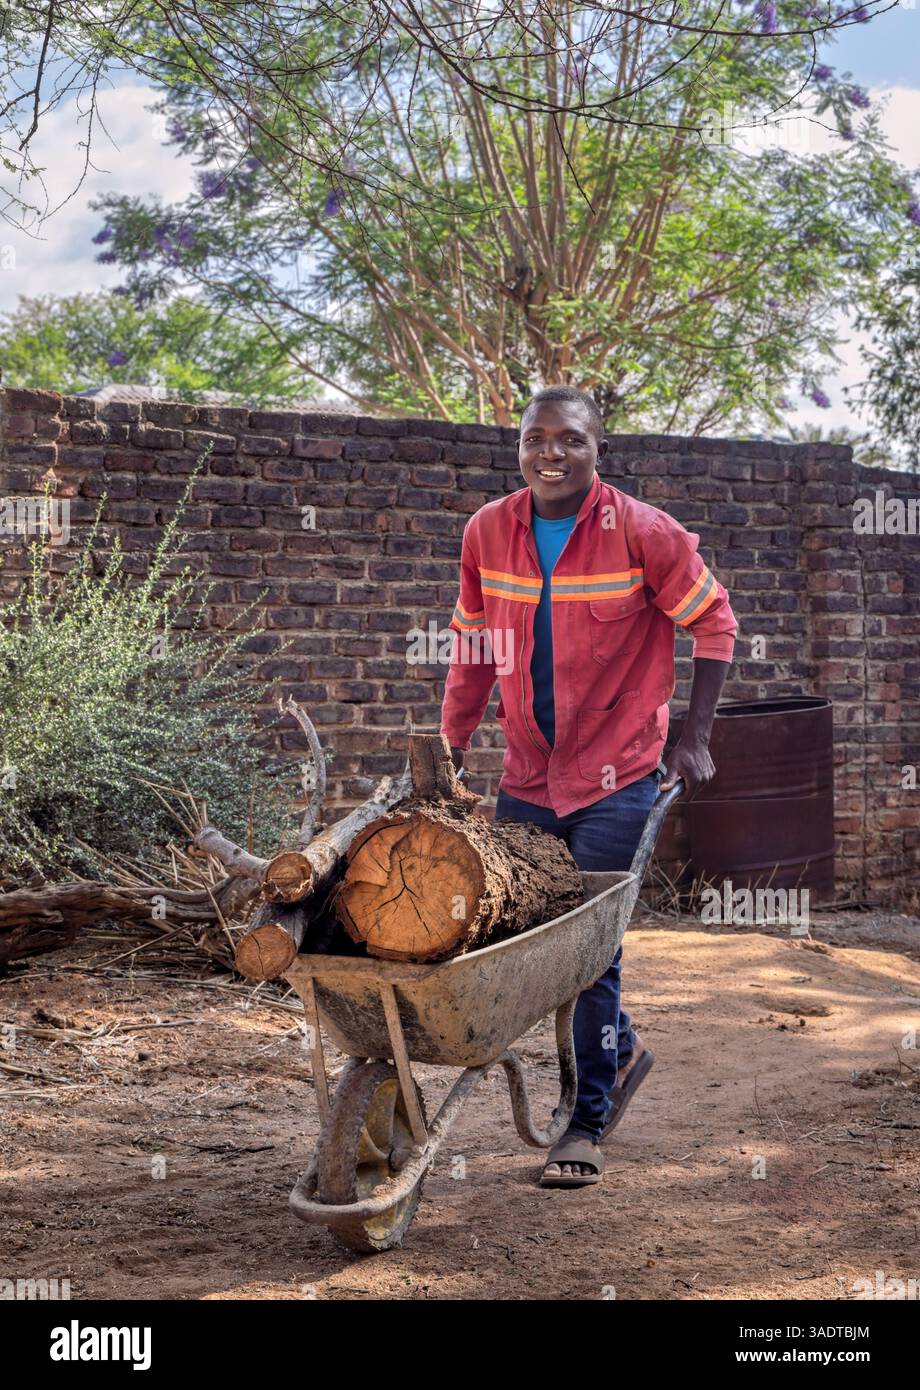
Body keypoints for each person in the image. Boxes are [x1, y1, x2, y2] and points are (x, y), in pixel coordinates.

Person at [439, 385, 737, 1187]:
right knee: (528, 940)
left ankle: (585, 1122)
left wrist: (695, 734)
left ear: (597, 449)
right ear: (520, 448)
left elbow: (715, 622)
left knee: (592, 952)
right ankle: (625, 1049)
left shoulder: (642, 532)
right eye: (537, 438)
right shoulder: (487, 533)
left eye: (569, 439)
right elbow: (470, 653)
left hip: (620, 778)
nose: (551, 453)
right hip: (527, 776)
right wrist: (449, 745)